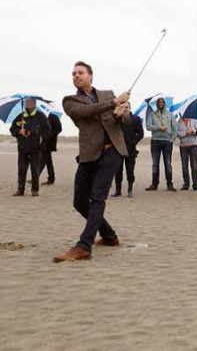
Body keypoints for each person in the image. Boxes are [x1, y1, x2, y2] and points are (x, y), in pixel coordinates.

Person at [54, 61, 130, 262]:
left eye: (80, 73)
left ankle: (84, 245)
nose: (76, 76)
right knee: (79, 201)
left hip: (112, 150)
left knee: (97, 197)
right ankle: (109, 236)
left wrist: (122, 114)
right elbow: (85, 113)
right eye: (73, 74)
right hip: (89, 153)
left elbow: (125, 119)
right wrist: (114, 104)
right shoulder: (70, 100)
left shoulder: (108, 94)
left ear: (91, 76)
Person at [10, 97, 51, 197]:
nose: (28, 104)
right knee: (22, 170)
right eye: (26, 102)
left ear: (34, 104)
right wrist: (19, 131)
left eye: (30, 102)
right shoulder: (20, 116)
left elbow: (48, 131)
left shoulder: (41, 116)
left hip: (36, 148)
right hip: (23, 148)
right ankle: (20, 190)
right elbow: (12, 129)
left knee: (35, 169)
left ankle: (35, 190)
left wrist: (39, 136)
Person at [145, 97, 178, 192]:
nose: (161, 103)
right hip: (155, 141)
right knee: (155, 164)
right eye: (159, 102)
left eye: (162, 102)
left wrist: (171, 140)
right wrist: (159, 127)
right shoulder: (152, 114)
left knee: (168, 164)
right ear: (157, 103)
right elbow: (148, 126)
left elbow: (175, 129)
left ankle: (169, 184)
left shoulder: (170, 114)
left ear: (164, 103)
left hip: (167, 142)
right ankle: (154, 184)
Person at [112, 104, 143, 198]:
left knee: (130, 170)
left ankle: (130, 190)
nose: (124, 109)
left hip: (130, 149)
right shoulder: (117, 119)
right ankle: (118, 191)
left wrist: (133, 142)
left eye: (126, 107)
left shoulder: (136, 119)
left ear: (130, 108)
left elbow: (141, 133)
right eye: (122, 107)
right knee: (118, 170)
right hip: (118, 149)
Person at [39, 112, 62, 186]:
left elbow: (59, 129)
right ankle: (51, 179)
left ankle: (35, 177)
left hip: (50, 143)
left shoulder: (53, 116)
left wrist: (49, 135)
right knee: (48, 161)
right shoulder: (41, 117)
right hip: (43, 142)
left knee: (42, 160)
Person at [177, 117, 197, 191]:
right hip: (183, 146)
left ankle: (195, 185)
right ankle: (186, 184)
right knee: (184, 166)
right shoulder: (179, 122)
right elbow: (177, 134)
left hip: (193, 145)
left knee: (194, 166)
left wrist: (192, 131)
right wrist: (185, 133)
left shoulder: (194, 120)